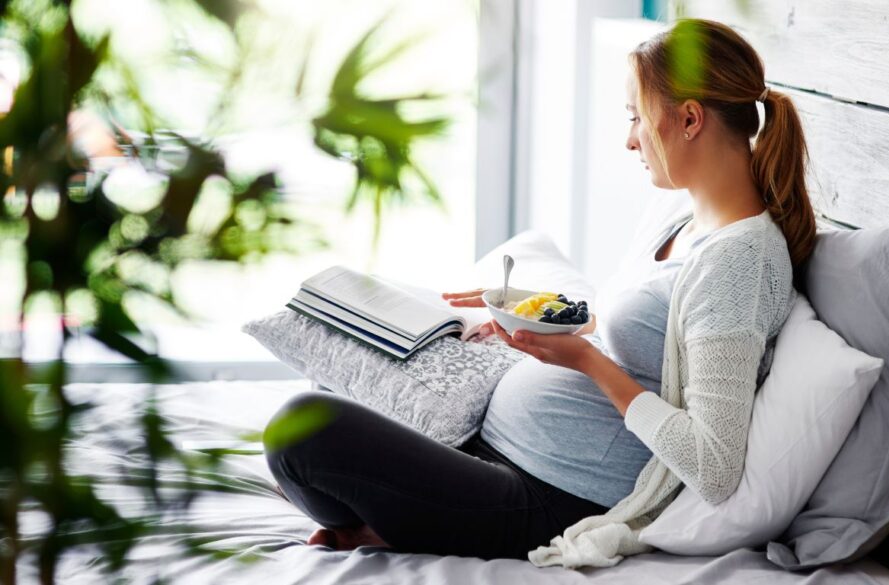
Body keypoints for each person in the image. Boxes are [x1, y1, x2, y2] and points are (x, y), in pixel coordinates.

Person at [264, 18, 815, 566]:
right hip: (491, 442)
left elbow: (713, 467)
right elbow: (653, 332)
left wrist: (589, 364)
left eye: (636, 118)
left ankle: (385, 525)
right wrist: (538, 314)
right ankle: (388, 515)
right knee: (333, 376)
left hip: (547, 495)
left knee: (301, 429)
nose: (629, 140)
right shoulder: (687, 218)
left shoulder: (740, 262)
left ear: (690, 118)